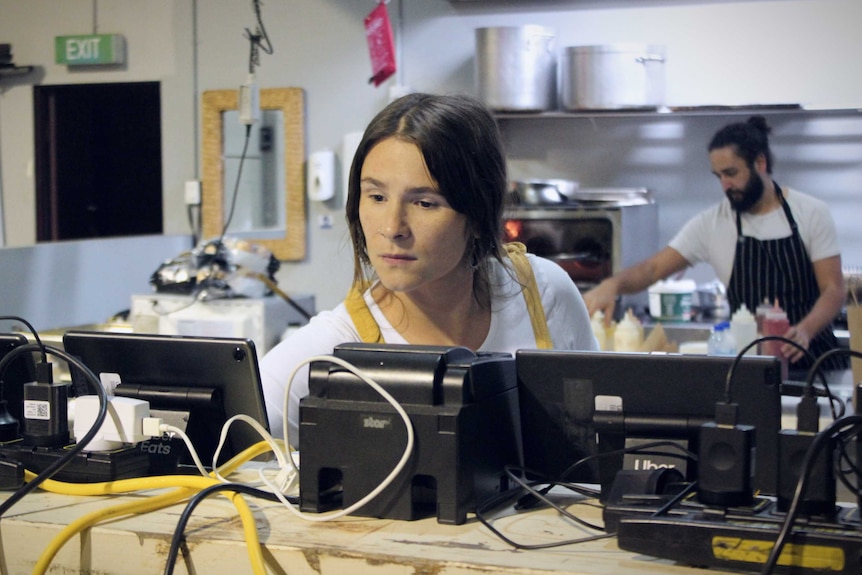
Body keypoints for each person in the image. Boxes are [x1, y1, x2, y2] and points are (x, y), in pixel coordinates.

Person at [261, 92, 598, 444]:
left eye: (424, 202)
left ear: (479, 213)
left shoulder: (541, 293)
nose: (392, 228)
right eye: (376, 197)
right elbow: (231, 436)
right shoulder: (334, 348)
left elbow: (601, 436)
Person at [584, 115, 846, 374]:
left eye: (731, 173)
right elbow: (652, 269)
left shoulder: (810, 212)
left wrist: (805, 330)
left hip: (817, 365)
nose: (725, 185)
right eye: (718, 176)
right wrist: (612, 285)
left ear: (760, 163)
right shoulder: (713, 224)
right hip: (753, 370)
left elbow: (834, 289)